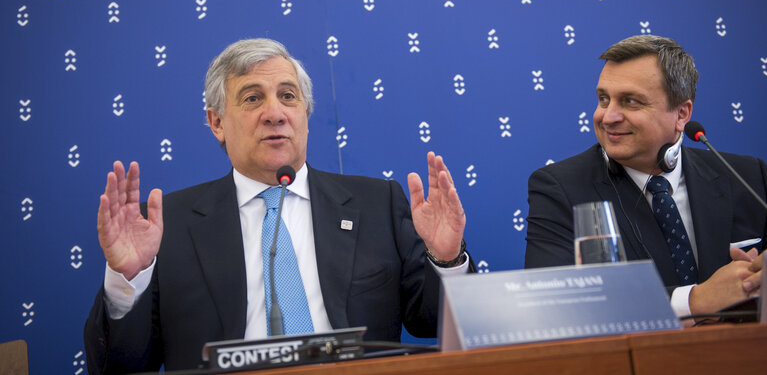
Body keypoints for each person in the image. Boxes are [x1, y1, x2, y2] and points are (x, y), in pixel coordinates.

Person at [84, 38, 472, 373]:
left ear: (305, 114)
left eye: (288, 96)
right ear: (216, 122)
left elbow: (435, 324)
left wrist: (447, 259)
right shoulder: (170, 225)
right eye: (253, 98)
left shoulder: (376, 204)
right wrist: (129, 281)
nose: (275, 113)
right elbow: (122, 367)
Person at [525, 35, 765, 320]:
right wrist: (693, 300)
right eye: (603, 99)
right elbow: (554, 304)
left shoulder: (749, 176)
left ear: (681, 114)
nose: (608, 116)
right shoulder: (560, 188)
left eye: (630, 101)